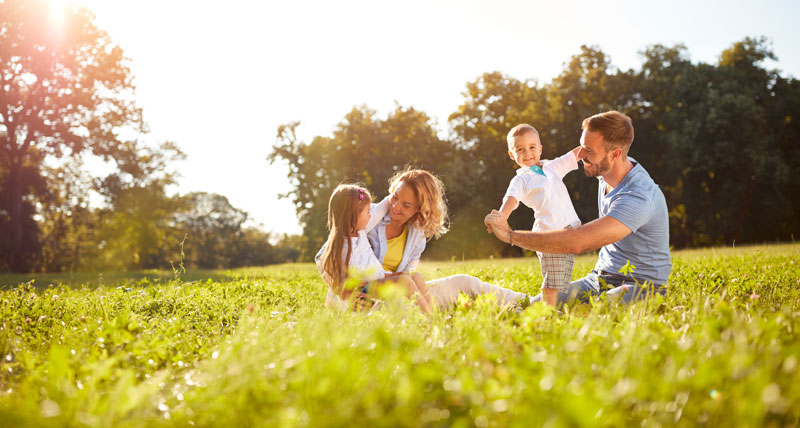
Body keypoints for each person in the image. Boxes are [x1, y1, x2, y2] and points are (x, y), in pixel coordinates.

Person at [485, 111, 671, 304]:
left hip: (641, 285)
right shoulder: (606, 169)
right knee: (537, 307)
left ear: (615, 154)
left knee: (598, 310)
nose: (582, 156)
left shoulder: (638, 196)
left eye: (588, 151)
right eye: (582, 147)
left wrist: (510, 235)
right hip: (598, 280)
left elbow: (576, 242)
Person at [325, 169, 533, 311]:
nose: (396, 207)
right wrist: (346, 294)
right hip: (361, 300)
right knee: (406, 289)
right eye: (395, 197)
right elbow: (327, 256)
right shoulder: (367, 214)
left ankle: (530, 303)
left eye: (406, 205)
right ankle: (431, 323)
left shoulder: (416, 234)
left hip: (396, 294)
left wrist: (418, 298)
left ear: (420, 209)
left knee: (464, 282)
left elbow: (407, 278)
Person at [315, 184, 432, 314]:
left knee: (415, 277)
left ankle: (431, 312)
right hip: (362, 290)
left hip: (376, 279)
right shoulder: (342, 244)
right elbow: (330, 267)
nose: (371, 214)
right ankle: (431, 318)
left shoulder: (360, 233)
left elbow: (381, 208)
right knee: (405, 282)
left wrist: (403, 189)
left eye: (406, 204)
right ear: (353, 216)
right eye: (367, 212)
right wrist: (345, 293)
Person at [498, 124, 582, 306]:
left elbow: (573, 155)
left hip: (569, 230)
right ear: (512, 155)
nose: (527, 153)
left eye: (532, 147)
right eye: (520, 149)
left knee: (560, 277)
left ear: (540, 149)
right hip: (549, 233)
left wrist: (592, 147)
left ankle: (550, 307)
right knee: (552, 280)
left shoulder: (551, 167)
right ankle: (547, 311)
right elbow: (511, 199)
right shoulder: (521, 179)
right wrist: (502, 216)